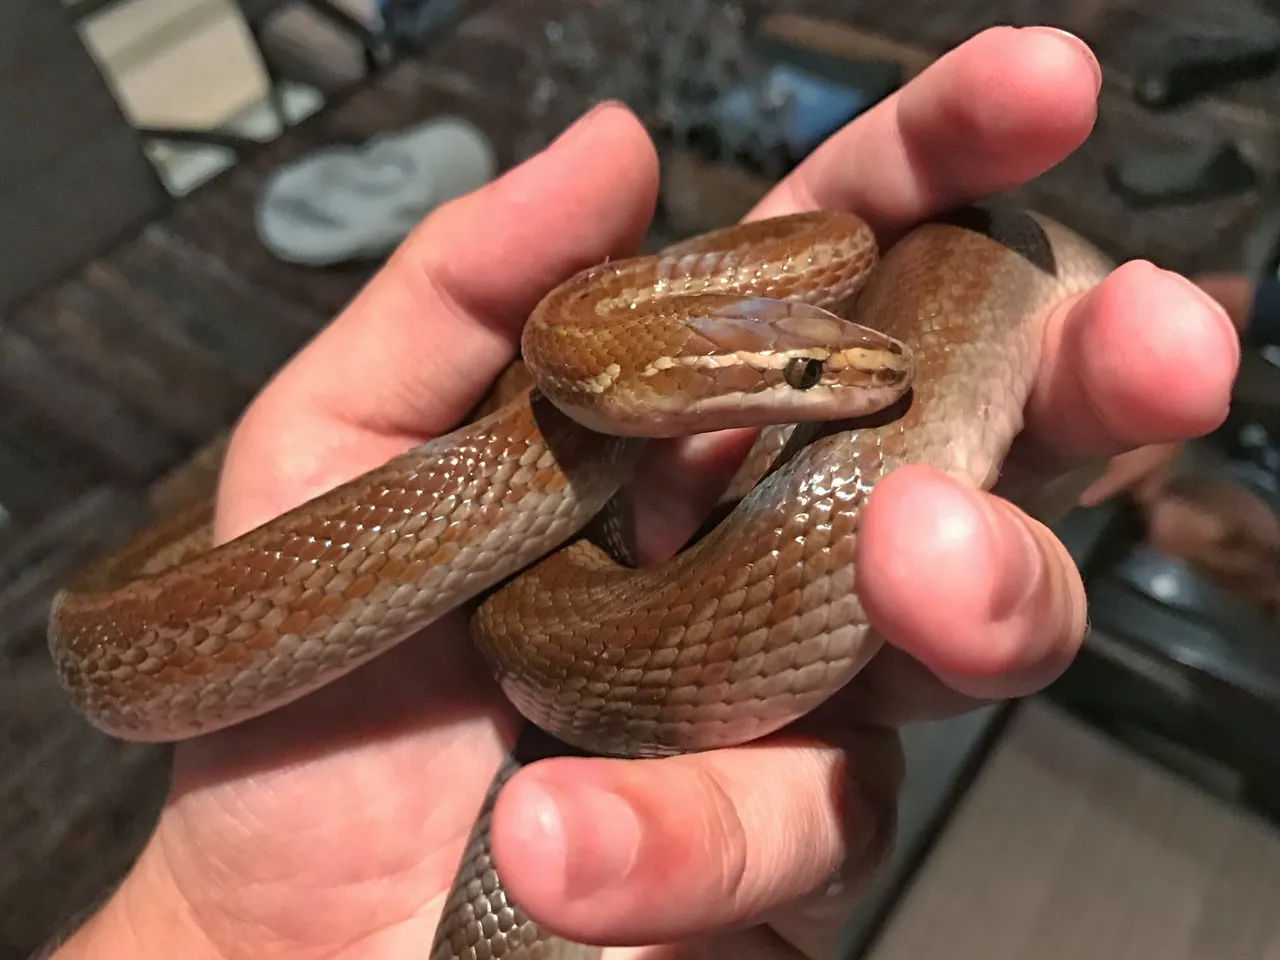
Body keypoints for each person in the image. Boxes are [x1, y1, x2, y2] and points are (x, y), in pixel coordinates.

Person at [46, 26, 1239, 960]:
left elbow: (816, 322)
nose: (853, 383)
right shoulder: (579, 376)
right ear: (644, 388)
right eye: (798, 377)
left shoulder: (634, 347)